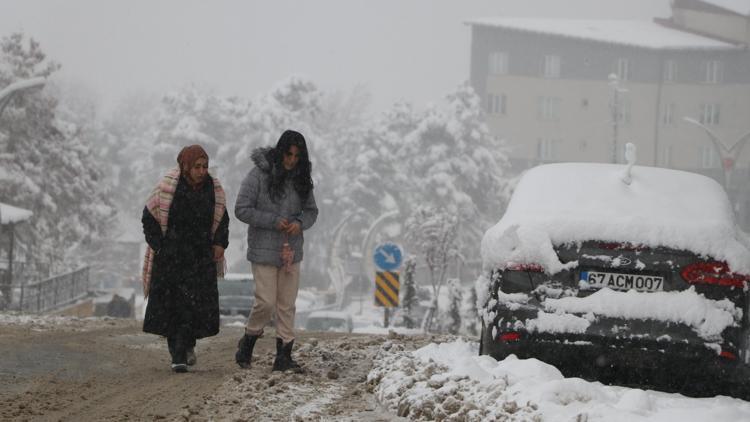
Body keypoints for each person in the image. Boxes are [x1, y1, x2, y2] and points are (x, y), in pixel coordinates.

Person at [234, 129, 318, 371]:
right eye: (288, 154)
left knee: (287, 305)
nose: (292, 160)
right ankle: (249, 340)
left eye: (297, 156)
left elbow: (312, 211)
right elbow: (242, 208)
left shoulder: (302, 180)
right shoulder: (259, 175)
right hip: (263, 250)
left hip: (291, 251)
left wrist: (300, 223)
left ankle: (284, 355)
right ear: (280, 152)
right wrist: (272, 220)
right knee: (266, 303)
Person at [141, 145, 229, 373]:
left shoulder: (214, 189)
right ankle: (177, 354)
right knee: (174, 307)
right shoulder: (168, 187)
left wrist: (219, 243)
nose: (202, 171)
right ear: (185, 166)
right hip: (171, 259)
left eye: (205, 166)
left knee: (195, 307)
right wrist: (160, 246)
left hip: (200, 259)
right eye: (197, 167)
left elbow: (222, 220)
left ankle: (188, 344)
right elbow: (149, 217)